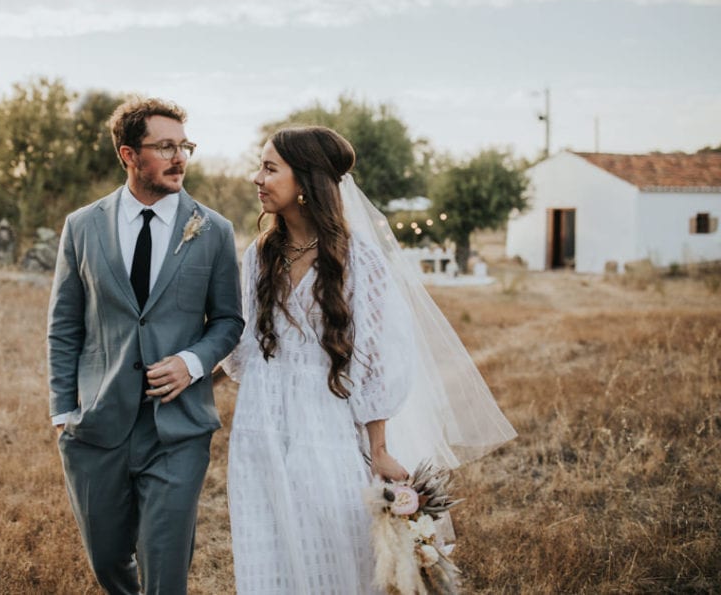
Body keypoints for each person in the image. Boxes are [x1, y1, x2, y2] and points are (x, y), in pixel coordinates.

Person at [221, 126, 516, 594]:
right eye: (260, 166)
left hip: (327, 427)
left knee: (336, 550)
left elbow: (379, 359)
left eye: (270, 168)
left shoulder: (360, 261)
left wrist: (378, 449)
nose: (257, 177)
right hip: (260, 428)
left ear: (306, 182)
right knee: (267, 553)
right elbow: (242, 347)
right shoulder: (258, 256)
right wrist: (192, 370)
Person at [47, 97, 244, 595]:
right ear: (128, 155)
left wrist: (192, 362)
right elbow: (65, 323)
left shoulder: (214, 230)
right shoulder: (82, 226)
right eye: (165, 147)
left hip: (177, 429)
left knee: (165, 564)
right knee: (110, 560)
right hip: (96, 425)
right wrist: (62, 411)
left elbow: (228, 320)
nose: (180, 158)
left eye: (185, 146)